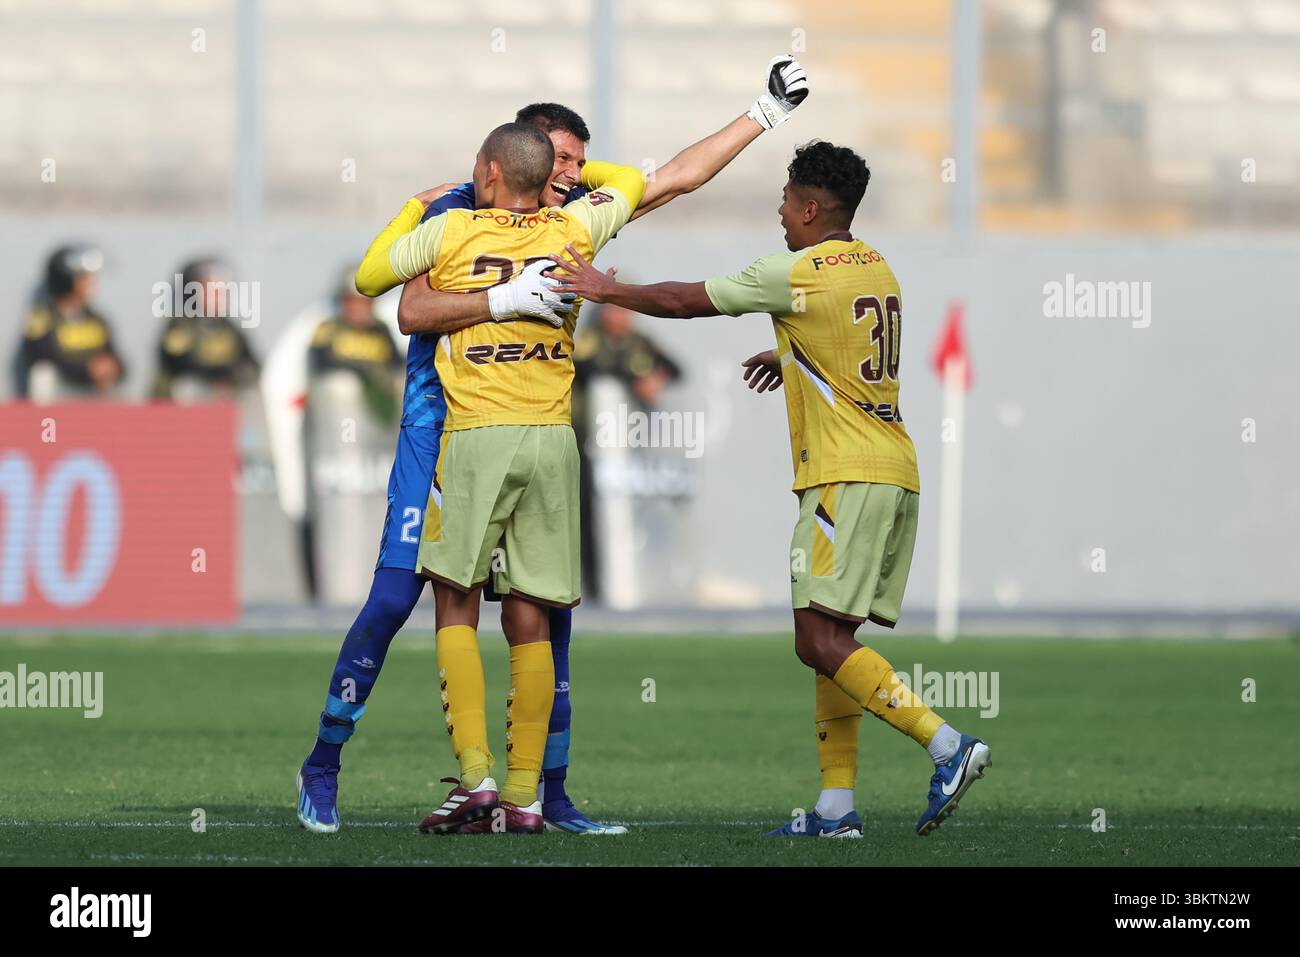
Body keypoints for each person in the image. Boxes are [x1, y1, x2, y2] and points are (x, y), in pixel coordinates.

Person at [295, 55, 809, 836]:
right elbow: (409, 309)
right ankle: (326, 763)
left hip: (515, 433)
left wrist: (762, 114)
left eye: (580, 160)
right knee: (397, 600)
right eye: (559, 158)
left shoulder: (560, 216)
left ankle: (539, 793)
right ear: (516, 157)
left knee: (544, 618)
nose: (574, 172)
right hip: (440, 438)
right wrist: (497, 278)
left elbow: (670, 177)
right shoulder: (455, 214)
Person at [548, 140, 992, 838]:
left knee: (814, 637)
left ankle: (947, 745)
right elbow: (846, 346)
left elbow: (686, 300)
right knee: (833, 636)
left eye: (786, 200)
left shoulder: (796, 271)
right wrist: (791, 353)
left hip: (843, 476)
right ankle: (835, 809)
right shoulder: (876, 265)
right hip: (894, 470)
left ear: (813, 207)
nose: (780, 212)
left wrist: (609, 290)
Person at [572, 302, 682, 600]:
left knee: (628, 510)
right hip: (589, 441)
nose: (620, 318)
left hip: (629, 442)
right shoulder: (591, 338)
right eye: (614, 311)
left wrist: (655, 379)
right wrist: (633, 380)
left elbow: (676, 368)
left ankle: (622, 583)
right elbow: (587, 367)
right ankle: (595, 587)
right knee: (589, 513)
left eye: (624, 311)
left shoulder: (639, 341)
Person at [13, 245, 125, 401]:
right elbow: (41, 355)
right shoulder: (42, 318)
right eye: (84, 278)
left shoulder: (97, 318)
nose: (92, 283)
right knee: (43, 373)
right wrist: (85, 371)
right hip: (61, 392)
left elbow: (116, 357)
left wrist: (112, 367)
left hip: (93, 390)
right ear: (66, 280)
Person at [151, 257, 259, 400]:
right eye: (212, 290)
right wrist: (214, 380)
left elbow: (251, 365)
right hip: (180, 409)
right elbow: (179, 365)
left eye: (222, 290)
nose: (219, 295)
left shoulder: (229, 329)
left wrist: (235, 378)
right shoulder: (181, 327)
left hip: (223, 407)